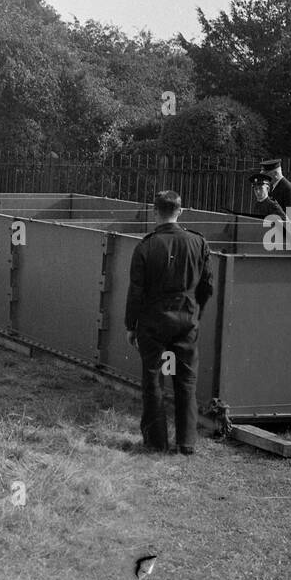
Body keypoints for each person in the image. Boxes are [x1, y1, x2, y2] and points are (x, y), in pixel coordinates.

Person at [125, 191, 214, 455]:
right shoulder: (198, 243)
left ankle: (156, 441)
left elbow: (136, 291)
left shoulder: (145, 246)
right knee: (186, 380)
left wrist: (131, 325)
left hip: (152, 322)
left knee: (153, 381)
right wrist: (195, 311)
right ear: (180, 211)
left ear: (155, 212)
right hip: (187, 319)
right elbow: (207, 286)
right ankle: (186, 442)